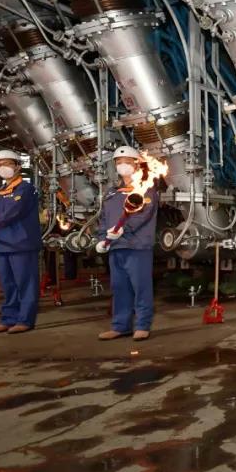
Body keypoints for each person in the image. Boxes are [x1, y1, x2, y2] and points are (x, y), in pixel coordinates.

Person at [96, 146, 160, 341]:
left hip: (137, 246)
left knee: (141, 287)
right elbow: (104, 218)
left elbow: (143, 215)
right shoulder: (111, 193)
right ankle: (120, 326)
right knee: (119, 288)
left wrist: (124, 229)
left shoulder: (145, 189)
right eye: (119, 162)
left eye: (127, 161)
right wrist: (102, 238)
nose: (122, 165)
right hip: (116, 247)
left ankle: (142, 325)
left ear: (136, 164)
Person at [0, 150, 42, 334]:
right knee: (8, 286)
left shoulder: (25, 189)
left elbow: (13, 212)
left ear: (18, 166)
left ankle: (25, 320)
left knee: (25, 284)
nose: (2, 167)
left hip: (22, 244)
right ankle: (8, 319)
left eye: (7, 163)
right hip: (2, 244)